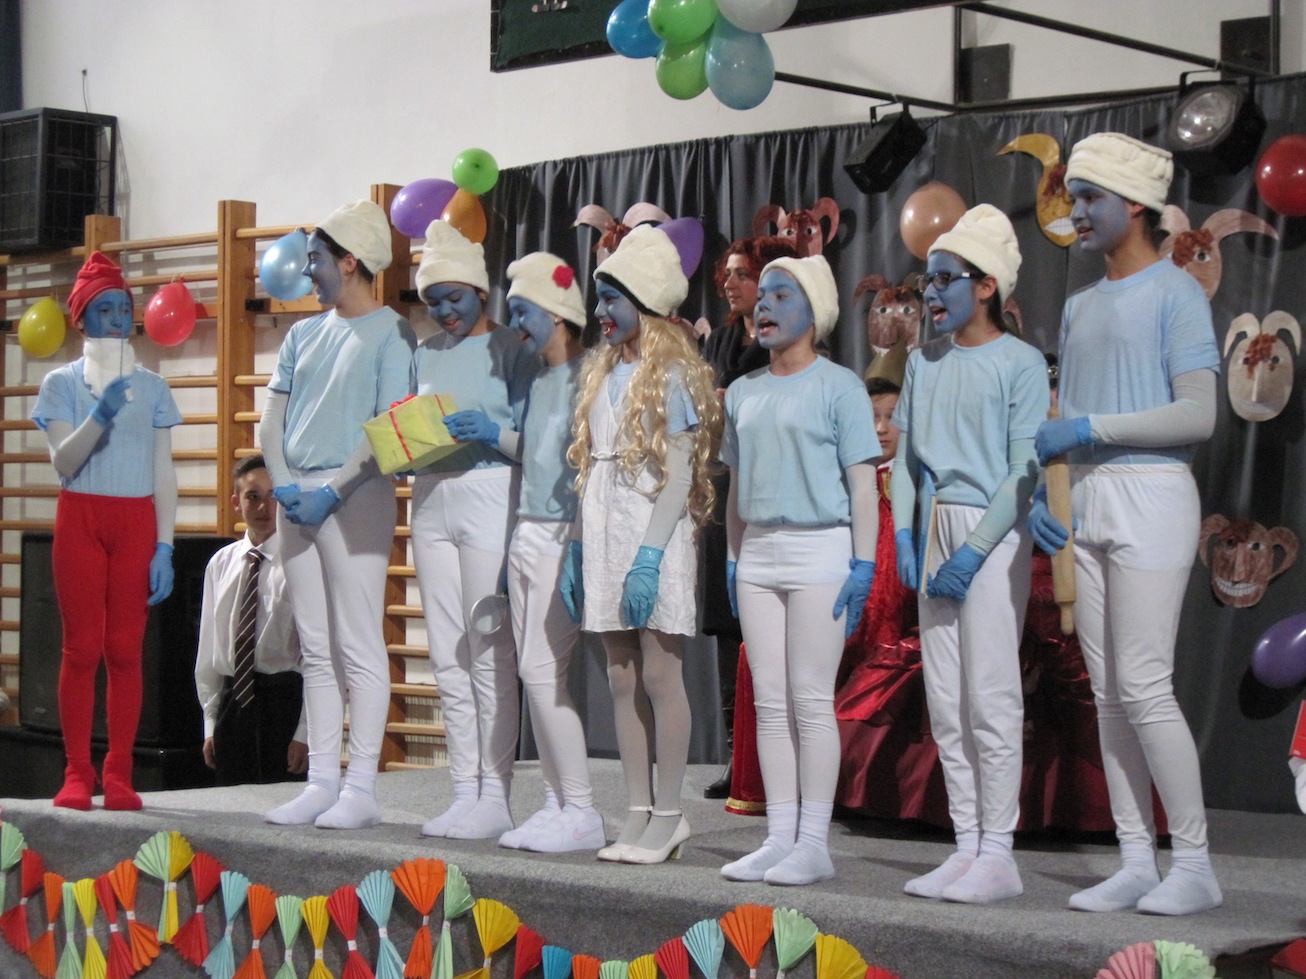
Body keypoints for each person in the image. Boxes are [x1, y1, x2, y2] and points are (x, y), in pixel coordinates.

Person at [1029, 132, 1222, 915]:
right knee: (1107, 693)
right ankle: (1137, 859)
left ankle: (1196, 864)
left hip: (1153, 493)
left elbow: (1198, 413)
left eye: (1089, 199)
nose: (1075, 213)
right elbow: (1063, 419)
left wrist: (1091, 429)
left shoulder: (1177, 292)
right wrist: (1050, 495)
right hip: (1089, 496)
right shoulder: (1079, 305)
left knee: (1143, 683)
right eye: (1073, 198)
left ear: (1134, 205)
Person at [892, 204, 1049, 903]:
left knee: (990, 692)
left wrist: (974, 552)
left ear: (985, 286)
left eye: (944, 279)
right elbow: (907, 461)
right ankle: (966, 842)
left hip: (992, 531)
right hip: (936, 527)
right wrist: (906, 534)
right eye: (925, 280)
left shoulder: (1020, 363)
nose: (930, 293)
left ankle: (999, 850)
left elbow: (1022, 471)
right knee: (947, 697)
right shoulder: (923, 362)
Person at [561, 225, 721, 864]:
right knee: (621, 676)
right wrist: (578, 545)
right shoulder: (600, 373)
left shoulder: (674, 374)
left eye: (612, 299)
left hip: (652, 529)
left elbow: (679, 475)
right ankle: (636, 809)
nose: (600, 311)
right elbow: (589, 467)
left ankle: (671, 813)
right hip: (604, 531)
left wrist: (650, 556)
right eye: (599, 299)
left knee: (659, 672)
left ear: (645, 304)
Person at [719, 253, 879, 886]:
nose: (765, 305)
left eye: (782, 295)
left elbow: (862, 485)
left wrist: (864, 563)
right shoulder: (743, 392)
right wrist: (734, 559)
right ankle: (778, 836)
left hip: (820, 550)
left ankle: (813, 842)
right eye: (763, 294)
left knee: (810, 699)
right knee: (769, 701)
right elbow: (735, 488)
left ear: (815, 312)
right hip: (759, 552)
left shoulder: (840, 386)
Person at [259, 200, 416, 829]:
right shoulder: (302, 334)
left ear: (349, 262)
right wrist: (284, 483)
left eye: (317, 259)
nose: (309, 270)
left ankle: (361, 787)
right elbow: (272, 418)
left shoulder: (393, 333)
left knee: (358, 640)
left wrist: (331, 491)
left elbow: (387, 429)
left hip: (357, 495)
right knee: (317, 647)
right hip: (296, 497)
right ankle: (321, 781)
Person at [32, 250, 181, 811]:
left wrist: (164, 545)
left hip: (135, 520)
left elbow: (163, 472)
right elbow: (64, 462)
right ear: (82, 319)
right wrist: (101, 414)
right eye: (105, 309)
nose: (118, 320)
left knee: (124, 650)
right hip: (81, 517)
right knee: (81, 650)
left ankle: (119, 773)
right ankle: (77, 771)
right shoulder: (61, 383)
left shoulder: (153, 387)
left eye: (124, 309)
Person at [411, 220, 536, 840]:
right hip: (431, 496)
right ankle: (464, 789)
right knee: (447, 652)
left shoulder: (513, 348)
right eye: (434, 302)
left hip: (491, 491)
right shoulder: (424, 352)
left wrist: (492, 432)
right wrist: (404, 445)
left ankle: (496, 794)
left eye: (454, 298)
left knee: (489, 648)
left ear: (481, 292)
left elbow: (538, 443)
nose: (444, 312)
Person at [493, 251, 604, 853]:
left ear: (557, 312)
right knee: (532, 671)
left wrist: (580, 546)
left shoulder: (595, 376)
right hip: (527, 532)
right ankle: (556, 802)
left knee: (543, 671)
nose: (516, 325)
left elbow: (591, 468)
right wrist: (494, 436)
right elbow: (536, 456)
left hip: (564, 535)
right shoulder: (538, 382)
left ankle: (582, 809)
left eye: (523, 311)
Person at [700, 236, 800, 802]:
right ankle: (737, 756)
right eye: (728, 274)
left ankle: (777, 758)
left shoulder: (779, 344)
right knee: (725, 626)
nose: (731, 283)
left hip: (769, 490)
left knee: (771, 637)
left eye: (743, 274)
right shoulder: (716, 340)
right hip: (722, 489)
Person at [194, 455, 308, 786]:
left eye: (273, 496)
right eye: (253, 496)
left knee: (283, 802)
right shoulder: (221, 564)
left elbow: (320, 657)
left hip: (283, 701)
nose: (263, 507)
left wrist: (305, 732)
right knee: (234, 804)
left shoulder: (301, 562)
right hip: (234, 702)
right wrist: (211, 723)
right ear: (236, 502)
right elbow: (209, 649)